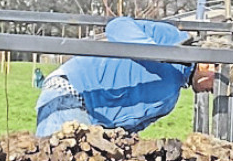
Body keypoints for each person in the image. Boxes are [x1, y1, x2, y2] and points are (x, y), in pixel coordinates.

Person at [36, 17, 216, 137]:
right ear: (208, 64)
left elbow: (130, 129)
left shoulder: (169, 101)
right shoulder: (172, 38)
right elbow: (117, 25)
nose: (212, 91)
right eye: (216, 84)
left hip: (95, 123)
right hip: (72, 89)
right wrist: (153, 52)